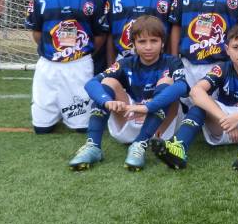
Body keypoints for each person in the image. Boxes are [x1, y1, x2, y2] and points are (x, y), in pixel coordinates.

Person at [68, 15, 188, 171]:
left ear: (163, 42)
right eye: (142, 42)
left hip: (161, 129)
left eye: (154, 41)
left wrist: (148, 107)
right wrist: (107, 101)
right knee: (108, 82)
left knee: (168, 82)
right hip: (130, 120)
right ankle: (93, 146)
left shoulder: (172, 62)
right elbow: (91, 84)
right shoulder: (125, 63)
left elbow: (183, 87)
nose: (148, 47)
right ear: (134, 44)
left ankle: (140, 144)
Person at [154, 23, 238, 174]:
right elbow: (195, 91)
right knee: (201, 104)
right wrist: (225, 118)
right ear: (227, 49)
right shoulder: (222, 68)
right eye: (236, 47)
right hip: (223, 124)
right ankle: (178, 147)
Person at [25, 0, 107, 133]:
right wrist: (55, 51)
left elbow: (99, 35)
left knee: (81, 128)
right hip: (48, 66)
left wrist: (79, 54)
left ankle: (75, 113)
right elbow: (37, 33)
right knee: (42, 129)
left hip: (79, 65)